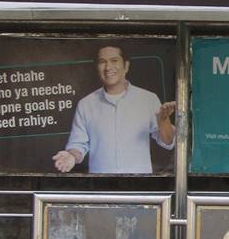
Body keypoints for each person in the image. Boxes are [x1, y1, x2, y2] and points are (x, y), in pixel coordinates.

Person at [53, 44, 176, 174]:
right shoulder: (86, 104)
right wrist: (71, 156)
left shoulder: (148, 99)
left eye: (114, 60)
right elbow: (77, 144)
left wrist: (164, 122)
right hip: (102, 188)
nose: (108, 67)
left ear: (126, 66)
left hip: (139, 187)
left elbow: (168, 142)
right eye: (102, 62)